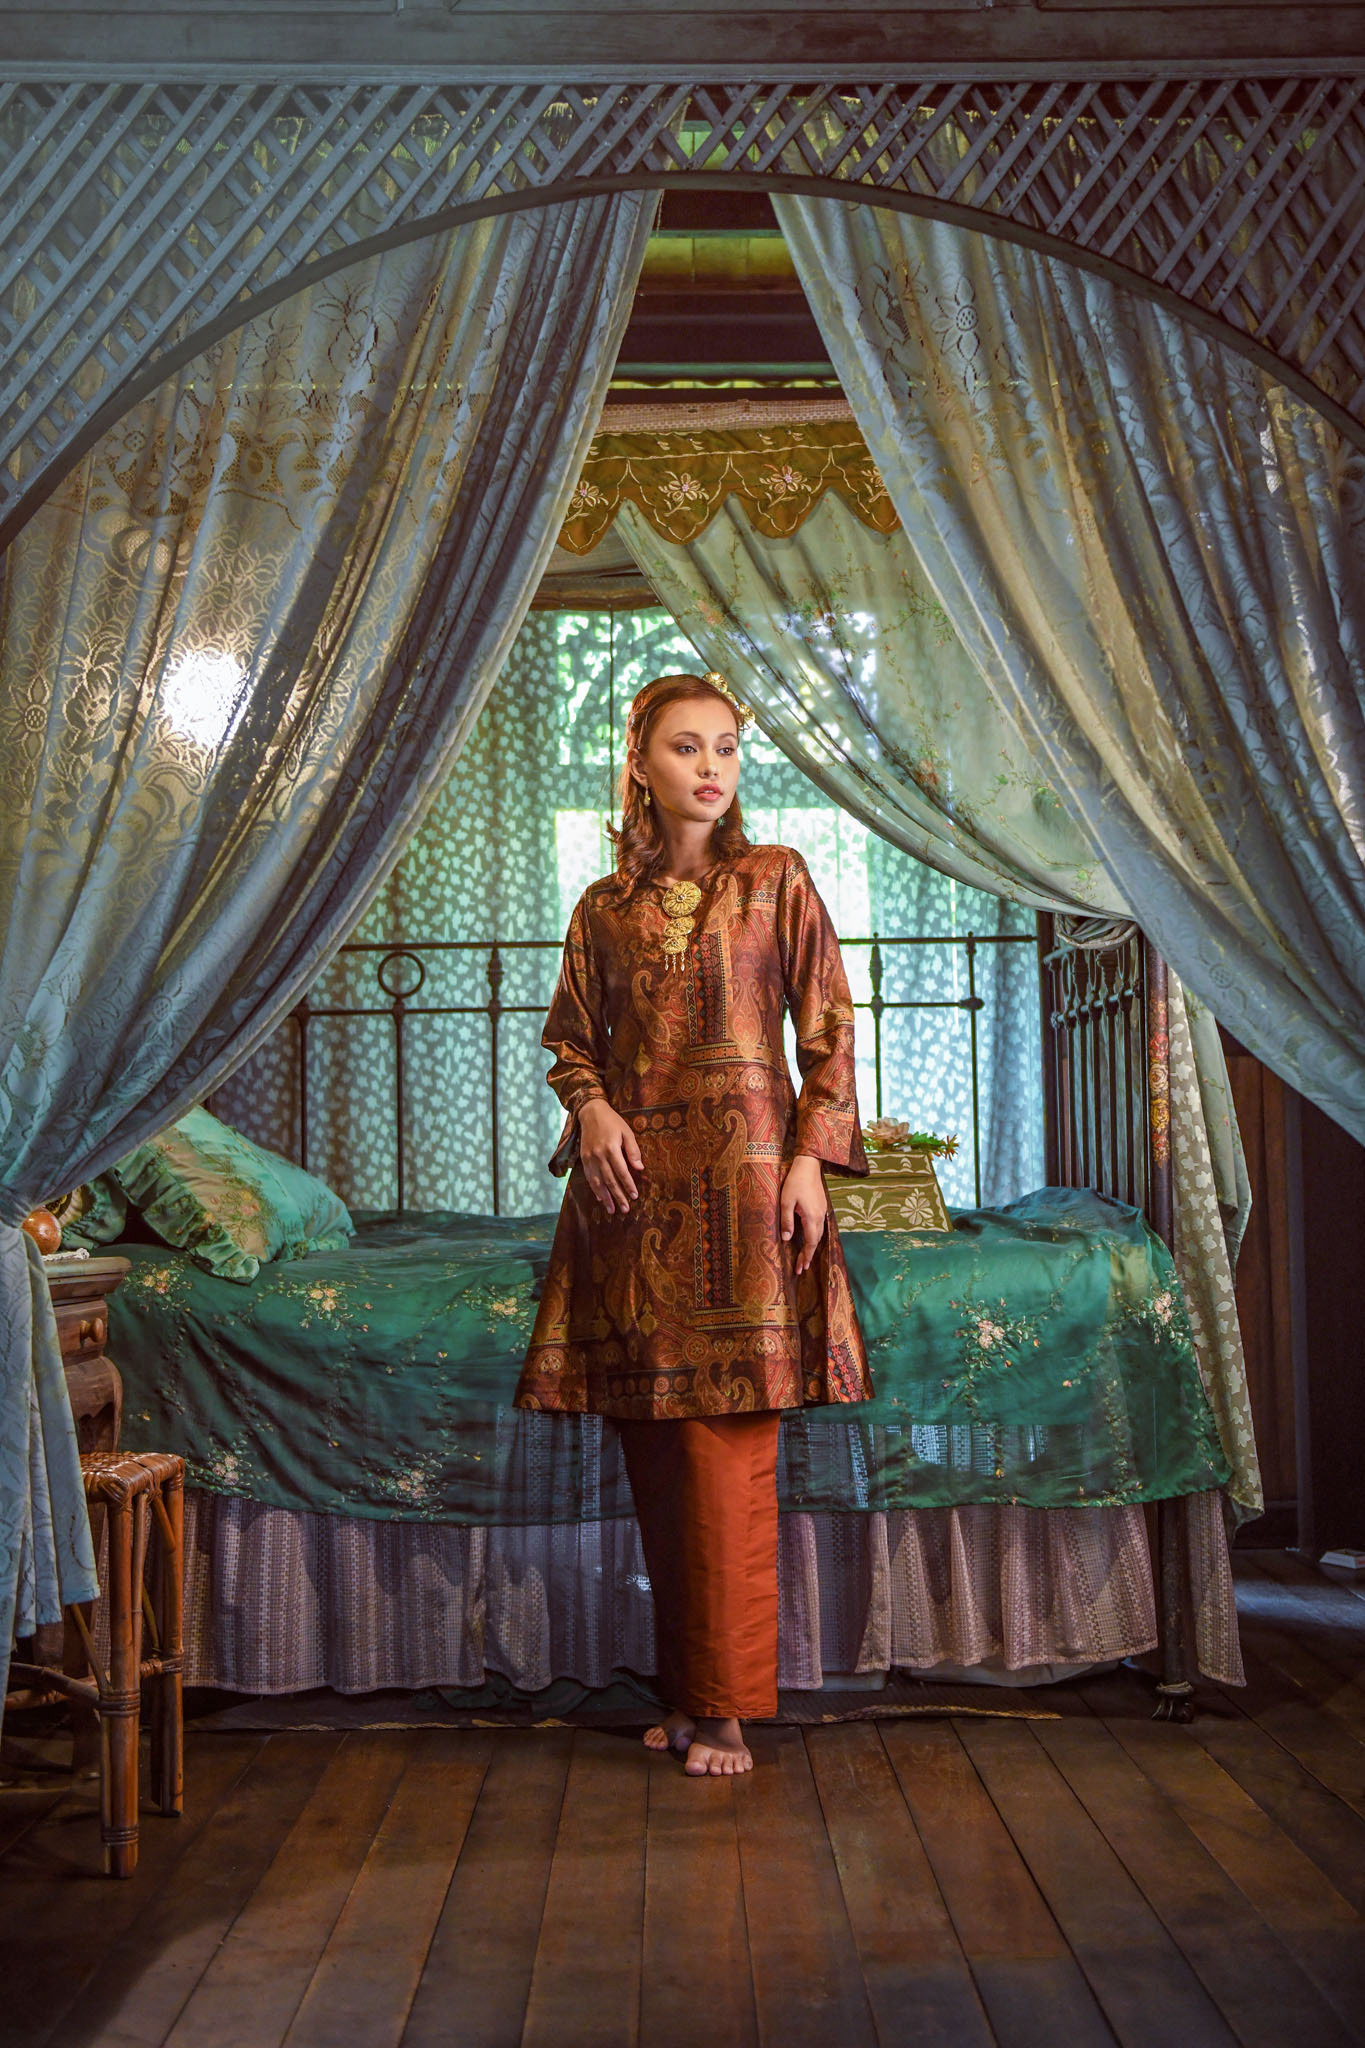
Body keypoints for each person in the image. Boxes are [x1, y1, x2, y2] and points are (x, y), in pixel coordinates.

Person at [514, 670, 870, 1775]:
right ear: (640, 764)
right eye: (685, 746)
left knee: (728, 1454)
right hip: (632, 1201)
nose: (711, 766)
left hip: (751, 1192)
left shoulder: (776, 879)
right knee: (662, 1451)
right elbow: (571, 1042)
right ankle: (684, 1692)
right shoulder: (601, 908)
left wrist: (809, 1162)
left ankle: (724, 1712)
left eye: (725, 746)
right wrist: (592, 1108)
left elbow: (829, 1029)